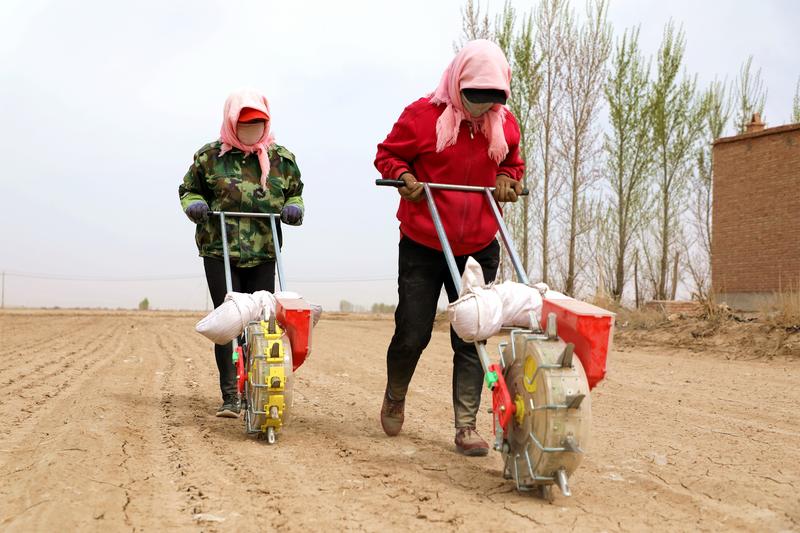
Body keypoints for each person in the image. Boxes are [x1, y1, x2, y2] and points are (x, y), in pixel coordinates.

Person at [374, 40, 524, 456]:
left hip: (478, 244)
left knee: (473, 333)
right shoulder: (422, 116)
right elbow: (387, 155)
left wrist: (509, 177)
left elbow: (513, 161)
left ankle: (466, 425)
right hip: (424, 241)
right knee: (413, 330)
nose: (479, 109)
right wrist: (403, 175)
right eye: (473, 98)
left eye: (490, 100)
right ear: (458, 83)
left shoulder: (505, 124)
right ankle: (396, 392)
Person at [179, 88, 304, 418]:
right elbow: (189, 188)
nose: (252, 130)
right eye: (245, 124)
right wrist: (194, 204)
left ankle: (256, 388)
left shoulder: (282, 160)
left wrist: (293, 208)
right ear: (232, 122)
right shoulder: (209, 157)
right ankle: (230, 395)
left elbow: (296, 194)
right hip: (219, 249)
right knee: (230, 320)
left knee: (261, 323)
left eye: (258, 124)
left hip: (263, 251)